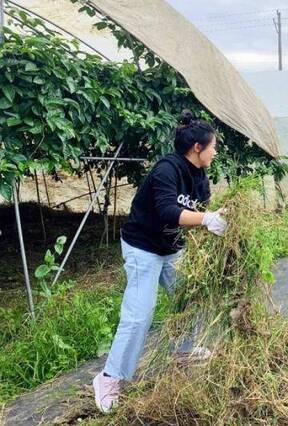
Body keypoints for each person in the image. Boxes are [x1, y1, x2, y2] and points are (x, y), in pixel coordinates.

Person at [92, 110, 228, 413]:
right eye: (213, 146)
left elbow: (197, 214)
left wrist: (214, 219)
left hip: (171, 247)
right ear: (197, 148)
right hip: (143, 247)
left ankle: (182, 351)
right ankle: (109, 377)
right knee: (140, 313)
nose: (215, 152)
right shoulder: (167, 169)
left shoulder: (200, 175)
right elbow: (168, 211)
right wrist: (206, 219)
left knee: (190, 297)